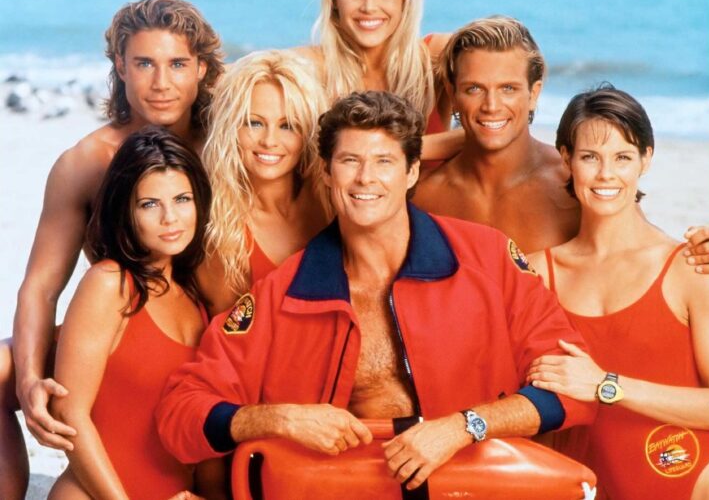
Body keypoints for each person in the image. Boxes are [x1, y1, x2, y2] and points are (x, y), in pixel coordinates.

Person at [156, 91, 596, 492]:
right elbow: (181, 412)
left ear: (411, 171)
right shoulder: (281, 296)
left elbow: (574, 389)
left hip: (473, 488)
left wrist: (465, 426)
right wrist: (279, 418)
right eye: (350, 161)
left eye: (384, 161)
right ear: (327, 172)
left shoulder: (489, 259)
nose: (365, 178)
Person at [0, 0, 222, 499]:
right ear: (120, 66)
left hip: (204, 328)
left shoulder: (225, 145)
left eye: (177, 64)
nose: (161, 83)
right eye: (144, 63)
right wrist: (31, 381)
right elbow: (40, 286)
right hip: (118, 326)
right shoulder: (86, 162)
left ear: (201, 69)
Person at [524, 86, 709, 500]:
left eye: (623, 157)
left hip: (697, 483)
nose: (606, 174)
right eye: (590, 157)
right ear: (566, 159)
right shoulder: (537, 274)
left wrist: (606, 385)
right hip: (583, 490)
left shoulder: (689, 268)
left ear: (646, 159)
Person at [413, 16, 709, 262]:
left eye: (508, 88)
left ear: (534, 93)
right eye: (474, 89)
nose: (491, 106)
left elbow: (645, 256)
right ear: (453, 94)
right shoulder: (424, 193)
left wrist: (704, 251)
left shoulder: (577, 185)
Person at [48, 126, 225, 499]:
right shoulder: (109, 284)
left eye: (182, 199)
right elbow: (70, 413)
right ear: (125, 211)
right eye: (149, 204)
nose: (170, 218)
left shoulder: (197, 298)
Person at [197, 50, 333, 315]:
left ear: (307, 133)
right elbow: (226, 337)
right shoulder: (221, 235)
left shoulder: (332, 200)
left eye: (287, 126)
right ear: (231, 128)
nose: (269, 141)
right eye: (254, 123)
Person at [297, 0, 462, 160]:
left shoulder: (437, 55)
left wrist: (397, 150)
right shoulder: (306, 69)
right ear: (334, 0)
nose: (369, 7)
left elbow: (489, 129)